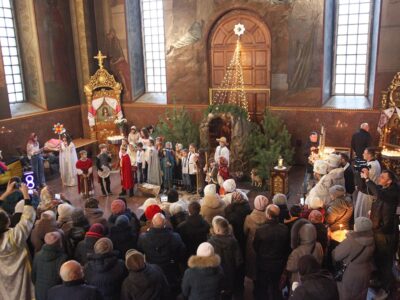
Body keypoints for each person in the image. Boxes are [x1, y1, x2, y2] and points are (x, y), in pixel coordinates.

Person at [362, 169, 399, 295]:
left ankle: (386, 288)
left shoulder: (394, 191)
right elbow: (371, 191)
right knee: (378, 257)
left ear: (390, 181)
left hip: (385, 231)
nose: (380, 178)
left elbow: (379, 194)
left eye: (382, 177)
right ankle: (379, 280)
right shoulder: (385, 188)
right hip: (378, 228)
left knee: (385, 261)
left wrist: (368, 179)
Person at [0, 183, 36, 300]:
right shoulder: (14, 236)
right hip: (22, 277)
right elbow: (28, 217)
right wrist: (25, 194)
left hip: (4, 281)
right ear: (8, 222)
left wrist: (6, 193)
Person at [137, 213, 186, 296]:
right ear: (164, 224)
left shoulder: (143, 238)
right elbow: (182, 252)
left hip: (151, 270)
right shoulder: (175, 237)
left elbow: (140, 251)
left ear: (152, 223)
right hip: (171, 269)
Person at [332, 217, 375, 300]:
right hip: (366, 271)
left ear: (357, 227)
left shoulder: (351, 241)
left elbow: (336, 255)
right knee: (361, 294)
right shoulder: (372, 239)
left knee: (347, 295)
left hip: (351, 274)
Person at [253, 204, 289, 300]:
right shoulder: (285, 229)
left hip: (263, 264)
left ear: (268, 215)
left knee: (262, 288)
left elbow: (255, 246)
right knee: (276, 288)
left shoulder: (260, 230)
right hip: (278, 264)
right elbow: (286, 248)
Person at [208, 216, 243, 299]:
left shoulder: (210, 242)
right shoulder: (233, 241)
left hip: (217, 272)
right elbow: (239, 259)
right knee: (229, 292)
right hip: (231, 270)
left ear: (217, 230)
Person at [286, 219, 323, 286]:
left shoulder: (297, 252)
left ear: (301, 234)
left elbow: (290, 267)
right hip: (314, 278)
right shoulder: (318, 245)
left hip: (299, 281)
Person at [32, 231, 68, 300]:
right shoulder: (63, 258)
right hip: (55, 292)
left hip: (40, 291)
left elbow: (33, 275)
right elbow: (63, 279)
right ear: (59, 243)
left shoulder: (37, 255)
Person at [244, 195, 268, 281]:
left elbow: (245, 232)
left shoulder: (249, 218)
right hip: (264, 244)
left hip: (252, 243)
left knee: (252, 262)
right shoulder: (268, 218)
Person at [354, 147, 381, 218]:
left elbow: (364, 177)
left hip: (367, 192)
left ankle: (361, 227)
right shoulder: (375, 162)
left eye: (364, 153)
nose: (363, 154)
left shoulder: (372, 165)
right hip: (369, 190)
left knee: (362, 212)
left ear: (369, 155)